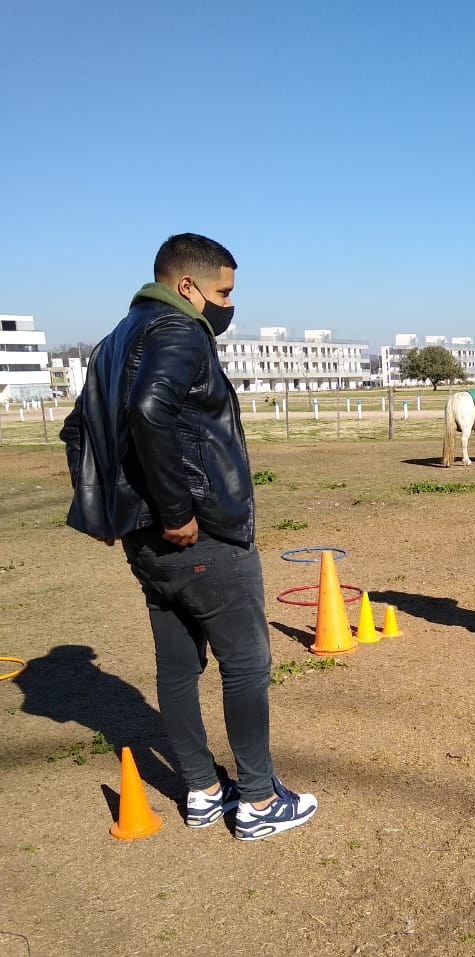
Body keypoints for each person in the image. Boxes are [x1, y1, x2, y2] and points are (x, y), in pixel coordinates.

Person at [60, 233, 317, 839]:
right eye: (223, 291)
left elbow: (78, 432)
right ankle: (257, 801)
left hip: (143, 542)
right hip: (198, 537)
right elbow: (152, 410)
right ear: (187, 286)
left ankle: (201, 791)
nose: (228, 305)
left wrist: (104, 511)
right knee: (246, 664)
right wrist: (177, 511)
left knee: (177, 667)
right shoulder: (179, 332)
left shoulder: (111, 341)